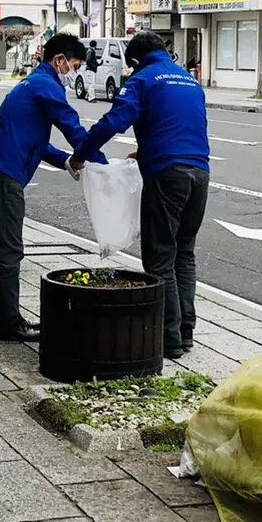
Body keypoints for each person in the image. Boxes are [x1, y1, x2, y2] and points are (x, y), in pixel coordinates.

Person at [70, 32, 209, 359]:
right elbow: (180, 125)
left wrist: (82, 153)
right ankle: (185, 331)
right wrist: (145, 151)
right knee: (184, 252)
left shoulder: (143, 79)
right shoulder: (189, 80)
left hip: (168, 175)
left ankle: (168, 338)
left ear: (133, 62)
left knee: (160, 257)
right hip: (200, 173)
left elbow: (113, 121)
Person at [0, 33, 103, 342]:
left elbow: (36, 141)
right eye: (74, 65)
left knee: (4, 250)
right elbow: (71, 126)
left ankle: (2, 316)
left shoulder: (33, 83)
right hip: (4, 175)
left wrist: (67, 162)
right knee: (10, 251)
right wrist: (99, 163)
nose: (74, 72)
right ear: (59, 60)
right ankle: (8, 324)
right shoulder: (47, 86)